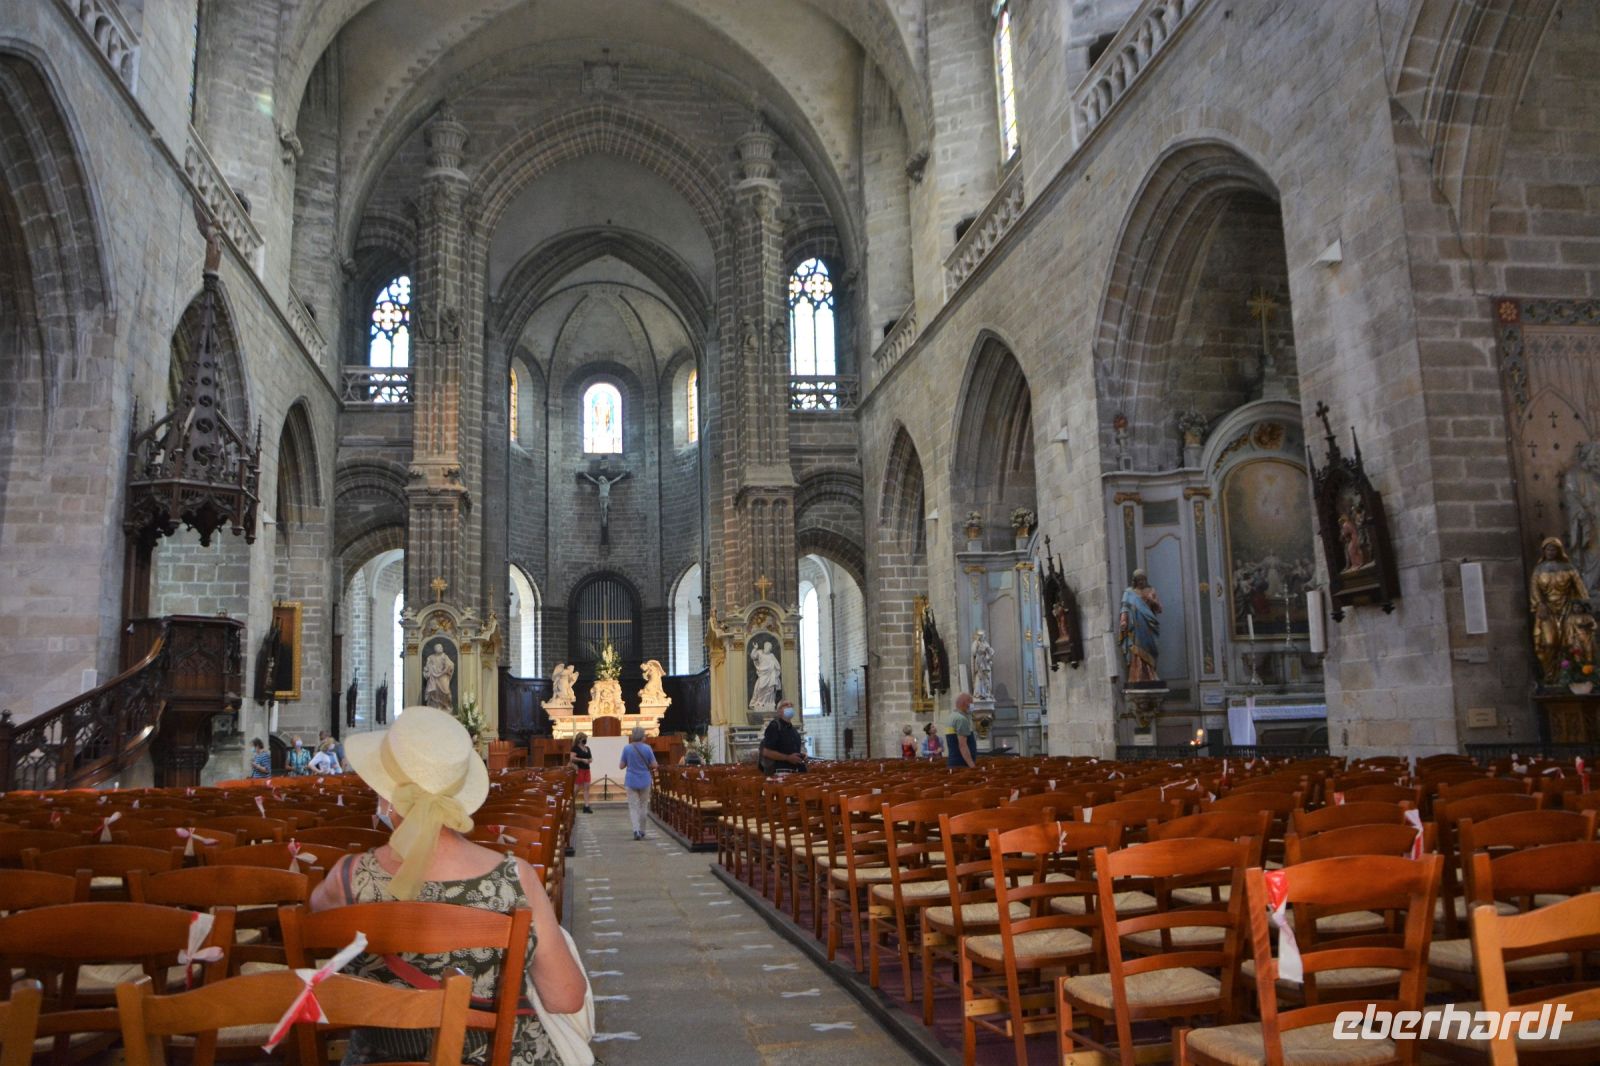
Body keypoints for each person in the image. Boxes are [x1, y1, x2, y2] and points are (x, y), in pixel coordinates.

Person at [311, 706, 587, 1066]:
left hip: (382, 1056)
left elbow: (320, 960)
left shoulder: (347, 878)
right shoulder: (514, 877)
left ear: (387, 796)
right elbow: (565, 998)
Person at [1530, 536, 1594, 685]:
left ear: (1559, 551)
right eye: (1548, 549)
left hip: (1568, 609)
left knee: (1570, 643)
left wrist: (1585, 606)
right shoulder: (1538, 570)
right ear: (1544, 551)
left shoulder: (1568, 568)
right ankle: (1550, 675)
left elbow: (1580, 589)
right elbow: (1534, 590)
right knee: (1549, 642)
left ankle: (1571, 675)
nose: (1550, 552)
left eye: (1553, 549)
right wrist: (1540, 604)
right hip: (1547, 610)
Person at [1118, 569, 1163, 684]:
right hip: (1136, 626)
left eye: (1143, 579)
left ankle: (1151, 675)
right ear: (1135, 581)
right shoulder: (1129, 592)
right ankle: (1137, 676)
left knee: (1150, 650)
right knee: (1136, 650)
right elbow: (1125, 608)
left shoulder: (1151, 591)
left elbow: (1159, 609)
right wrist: (1123, 620)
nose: (1142, 582)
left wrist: (1152, 602)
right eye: (1139, 580)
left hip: (1149, 626)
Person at [619, 726, 657, 840]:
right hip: (645, 779)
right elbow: (655, 765)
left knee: (633, 806)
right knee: (643, 805)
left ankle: (636, 830)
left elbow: (621, 766)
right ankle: (643, 830)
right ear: (642, 736)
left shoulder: (627, 748)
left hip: (631, 780)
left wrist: (630, 763)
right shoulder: (647, 748)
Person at [760, 700, 806, 775]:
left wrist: (802, 755)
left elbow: (791, 750)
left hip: (797, 771)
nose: (789, 706)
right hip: (781, 772)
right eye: (786, 705)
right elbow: (766, 752)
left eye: (791, 704)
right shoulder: (774, 726)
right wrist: (788, 758)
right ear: (779, 711)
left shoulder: (793, 730)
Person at [748, 640, 781, 717]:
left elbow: (777, 666)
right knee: (760, 688)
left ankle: (769, 703)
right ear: (764, 647)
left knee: (770, 689)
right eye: (767, 646)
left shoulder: (772, 655)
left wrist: (775, 673)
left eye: (769, 647)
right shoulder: (760, 652)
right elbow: (753, 656)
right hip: (762, 674)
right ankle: (759, 702)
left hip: (770, 676)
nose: (768, 648)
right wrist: (755, 649)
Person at [946, 694, 976, 769]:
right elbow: (963, 745)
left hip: (954, 763)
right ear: (966, 703)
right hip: (962, 764)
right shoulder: (961, 719)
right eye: (972, 703)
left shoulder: (952, 716)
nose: (973, 706)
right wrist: (972, 765)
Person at [424, 642, 455, 710]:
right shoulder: (431, 657)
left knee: (446, 691)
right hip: (433, 677)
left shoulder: (444, 656)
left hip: (443, 676)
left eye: (441, 647)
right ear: (435, 649)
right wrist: (429, 669)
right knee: (434, 691)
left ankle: (446, 704)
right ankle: (436, 705)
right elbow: (427, 667)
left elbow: (451, 665)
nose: (441, 648)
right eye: (439, 647)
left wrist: (447, 667)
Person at [570, 732, 593, 814]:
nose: (585, 740)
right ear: (579, 739)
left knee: (587, 788)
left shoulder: (587, 748)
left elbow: (590, 758)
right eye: (584, 739)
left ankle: (586, 806)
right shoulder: (575, 748)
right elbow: (572, 758)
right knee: (576, 789)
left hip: (587, 769)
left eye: (586, 739)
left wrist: (589, 760)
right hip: (579, 769)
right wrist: (582, 760)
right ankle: (571, 804)